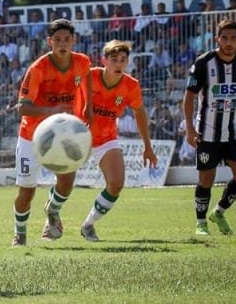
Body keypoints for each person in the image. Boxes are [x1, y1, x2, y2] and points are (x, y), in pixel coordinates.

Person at [11, 19, 93, 246]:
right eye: (57, 40)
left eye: (67, 39)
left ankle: (52, 210)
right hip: (32, 136)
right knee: (26, 192)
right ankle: (20, 233)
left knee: (67, 181)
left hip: (64, 135)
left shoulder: (82, 62)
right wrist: (53, 110)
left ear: (74, 40)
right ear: (50, 42)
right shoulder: (37, 69)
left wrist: (88, 109)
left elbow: (87, 79)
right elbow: (22, 107)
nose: (62, 44)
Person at [183, 18, 236, 237]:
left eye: (233, 38)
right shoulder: (203, 62)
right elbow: (189, 96)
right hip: (207, 131)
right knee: (206, 179)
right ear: (217, 38)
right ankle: (201, 222)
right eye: (225, 38)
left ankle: (219, 212)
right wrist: (190, 128)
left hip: (235, 131)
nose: (229, 42)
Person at [79, 40, 158, 241]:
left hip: (106, 138)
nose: (119, 64)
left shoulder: (131, 86)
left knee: (116, 184)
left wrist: (147, 147)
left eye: (123, 60)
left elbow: (140, 113)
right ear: (104, 61)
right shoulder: (89, 76)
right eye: (114, 60)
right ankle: (52, 218)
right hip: (77, 136)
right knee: (63, 183)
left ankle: (88, 225)